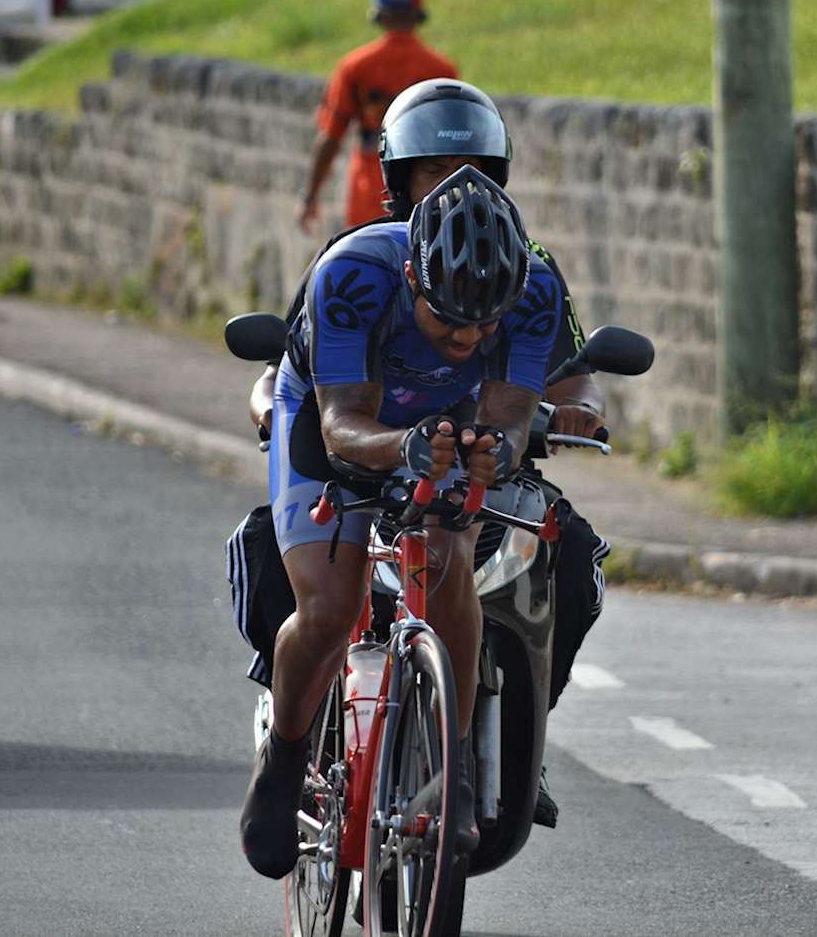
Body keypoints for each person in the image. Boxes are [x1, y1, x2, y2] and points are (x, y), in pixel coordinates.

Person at [244, 79, 612, 828]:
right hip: (345, 415)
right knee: (330, 605)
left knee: (455, 549)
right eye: (448, 321)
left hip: (444, 423)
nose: (467, 341)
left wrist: (496, 455)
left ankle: (460, 764)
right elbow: (343, 421)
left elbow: (511, 415)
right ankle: (282, 764)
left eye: (486, 327)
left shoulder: (533, 282)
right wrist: (406, 446)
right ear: (412, 276)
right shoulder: (350, 272)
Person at [298, 0, 459, 235]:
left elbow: (330, 138)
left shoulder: (355, 67)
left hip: (369, 201)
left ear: (379, 15)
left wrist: (309, 198)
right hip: (428, 203)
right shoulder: (441, 69)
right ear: (418, 14)